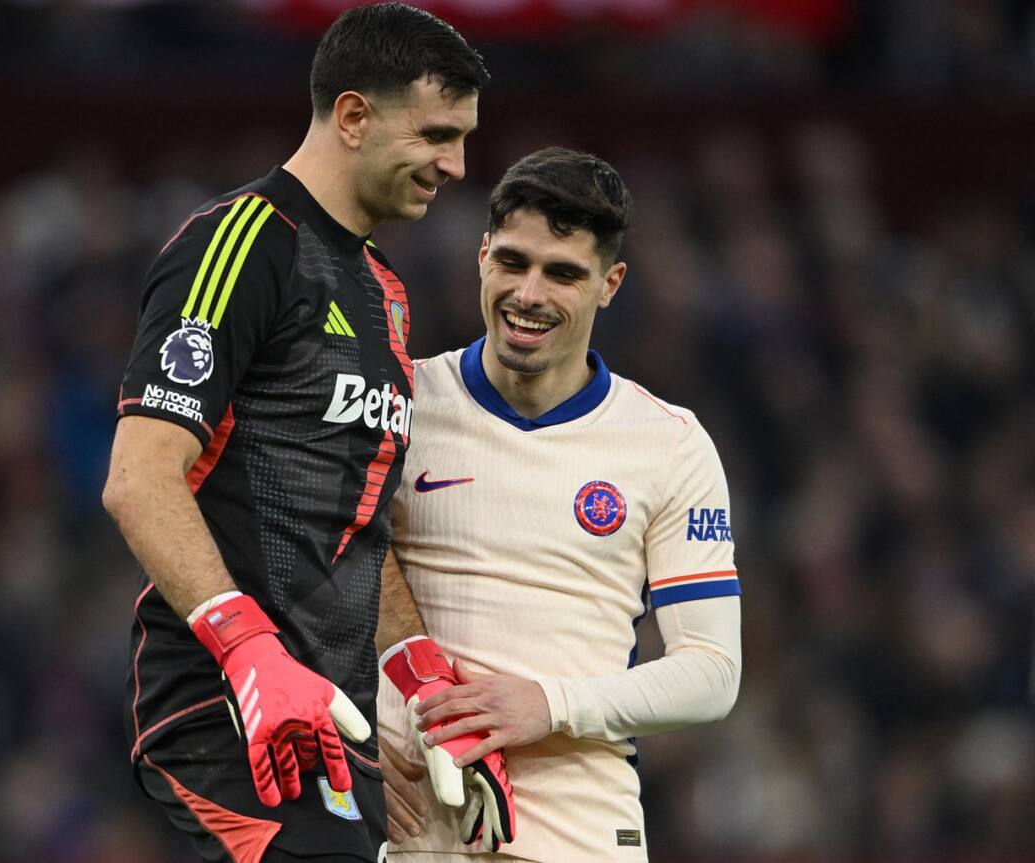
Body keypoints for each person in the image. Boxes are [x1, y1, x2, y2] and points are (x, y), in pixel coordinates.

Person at [101, 5, 488, 861]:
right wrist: (248, 651)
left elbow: (359, 517)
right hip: (224, 709)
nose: (455, 165)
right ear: (352, 116)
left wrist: (417, 668)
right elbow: (139, 477)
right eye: (435, 134)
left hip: (335, 722)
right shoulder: (241, 245)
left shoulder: (383, 289)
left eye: (462, 139)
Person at [374, 147, 743, 862]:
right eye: (513, 261)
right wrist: (356, 749)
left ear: (611, 283)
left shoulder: (668, 445)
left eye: (564, 273)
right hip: (410, 835)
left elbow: (711, 672)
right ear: (482, 255)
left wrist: (551, 702)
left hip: (581, 838)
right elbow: (312, 586)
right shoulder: (399, 403)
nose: (529, 293)